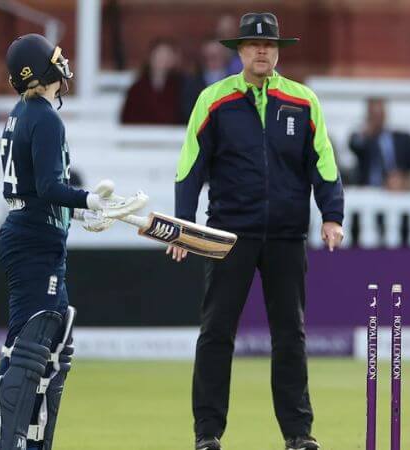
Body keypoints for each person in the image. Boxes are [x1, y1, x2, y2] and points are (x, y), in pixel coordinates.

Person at [169, 13, 344, 450]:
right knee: (216, 332)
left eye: (268, 44)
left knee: (290, 336)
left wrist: (332, 215)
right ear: (240, 51)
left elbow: (323, 162)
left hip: (286, 235)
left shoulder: (303, 100)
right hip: (229, 235)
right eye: (253, 44)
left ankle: (298, 434)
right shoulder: (214, 99)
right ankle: (207, 433)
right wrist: (183, 225)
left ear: (278, 51)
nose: (261, 50)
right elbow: (190, 165)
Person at [0, 34, 146, 450]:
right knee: (29, 346)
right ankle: (6, 443)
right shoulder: (44, 117)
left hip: (35, 232)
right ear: (41, 69)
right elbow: (48, 186)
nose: (62, 64)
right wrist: (89, 199)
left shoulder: (23, 113)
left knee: (55, 346)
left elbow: (36, 190)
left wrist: (79, 212)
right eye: (55, 59)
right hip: (34, 239)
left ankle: (32, 442)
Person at [348, 97, 410, 190]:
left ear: (385, 114)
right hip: (368, 190)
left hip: (399, 189)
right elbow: (354, 145)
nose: (377, 118)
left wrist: (403, 178)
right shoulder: (363, 139)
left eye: (379, 114)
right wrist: (367, 132)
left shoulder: (404, 139)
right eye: (373, 115)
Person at [120, 38, 184, 124]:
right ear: (150, 57)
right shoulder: (137, 89)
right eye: (159, 55)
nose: (162, 60)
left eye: (167, 56)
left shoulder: (180, 86)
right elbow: (127, 118)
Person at [180, 40, 231, 124]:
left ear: (225, 57)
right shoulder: (192, 83)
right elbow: (187, 111)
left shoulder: (237, 82)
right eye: (207, 57)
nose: (211, 60)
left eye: (215, 56)